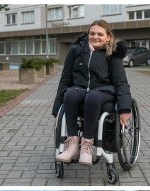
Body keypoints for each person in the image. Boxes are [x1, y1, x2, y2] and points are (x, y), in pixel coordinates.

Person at [53, 20, 132, 166]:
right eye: (92, 33)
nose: (95, 37)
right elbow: (65, 79)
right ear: (87, 34)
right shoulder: (76, 51)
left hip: (104, 91)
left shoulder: (112, 53)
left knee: (92, 97)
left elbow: (121, 82)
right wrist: (57, 107)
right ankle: (72, 145)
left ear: (108, 37)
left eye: (100, 34)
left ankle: (86, 147)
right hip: (80, 89)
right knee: (69, 94)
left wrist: (125, 108)